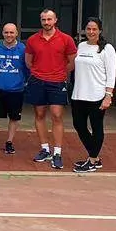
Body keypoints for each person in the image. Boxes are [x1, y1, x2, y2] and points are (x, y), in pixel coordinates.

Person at [25, 9, 77, 169]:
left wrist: (58, 73)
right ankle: (45, 149)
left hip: (57, 82)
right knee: (39, 114)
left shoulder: (66, 39)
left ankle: (57, 152)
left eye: (49, 19)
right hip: (37, 81)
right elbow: (28, 61)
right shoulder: (33, 39)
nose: (46, 22)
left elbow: (72, 62)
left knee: (56, 115)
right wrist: (39, 73)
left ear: (55, 20)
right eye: (43, 20)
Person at [70, 17, 116, 173]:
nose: (91, 32)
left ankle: (92, 160)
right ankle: (95, 158)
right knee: (79, 125)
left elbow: (111, 74)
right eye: (88, 29)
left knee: (96, 128)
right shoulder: (81, 46)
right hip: (78, 94)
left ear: (100, 31)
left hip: (97, 96)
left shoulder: (107, 49)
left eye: (94, 29)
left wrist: (108, 95)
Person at [0, 23, 28, 155]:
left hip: (16, 90)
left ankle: (9, 142)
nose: (9, 35)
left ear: (16, 33)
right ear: (2, 33)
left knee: (14, 118)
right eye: (6, 32)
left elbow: (27, 67)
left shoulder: (23, 49)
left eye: (12, 32)